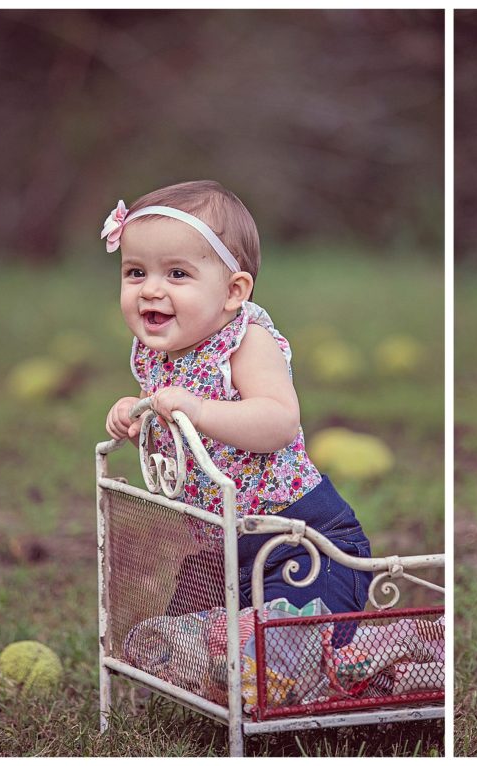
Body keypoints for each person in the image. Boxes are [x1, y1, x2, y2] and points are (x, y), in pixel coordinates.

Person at [103, 180, 372, 618]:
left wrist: (200, 410)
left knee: (294, 645)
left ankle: (383, 651)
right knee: (183, 645)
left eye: (177, 274)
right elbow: (185, 444)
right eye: (136, 272)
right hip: (221, 546)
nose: (150, 289)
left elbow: (279, 422)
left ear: (233, 291)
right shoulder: (157, 357)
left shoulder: (246, 342)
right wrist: (138, 423)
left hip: (299, 541)